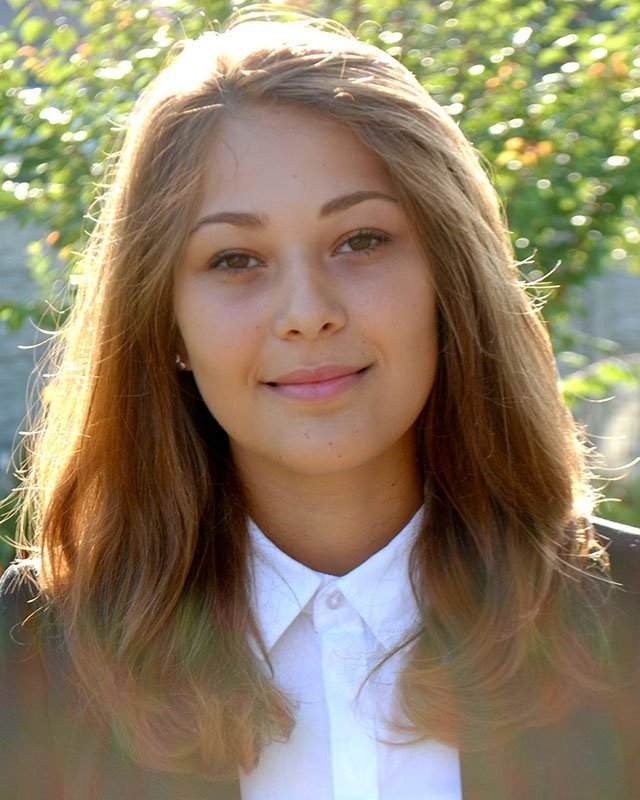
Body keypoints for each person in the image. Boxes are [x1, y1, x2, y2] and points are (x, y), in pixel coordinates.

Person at [1, 12, 639, 800]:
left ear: (451, 276)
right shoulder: (29, 658)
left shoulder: (626, 622)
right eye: (235, 259)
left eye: (361, 241)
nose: (307, 313)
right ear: (164, 320)